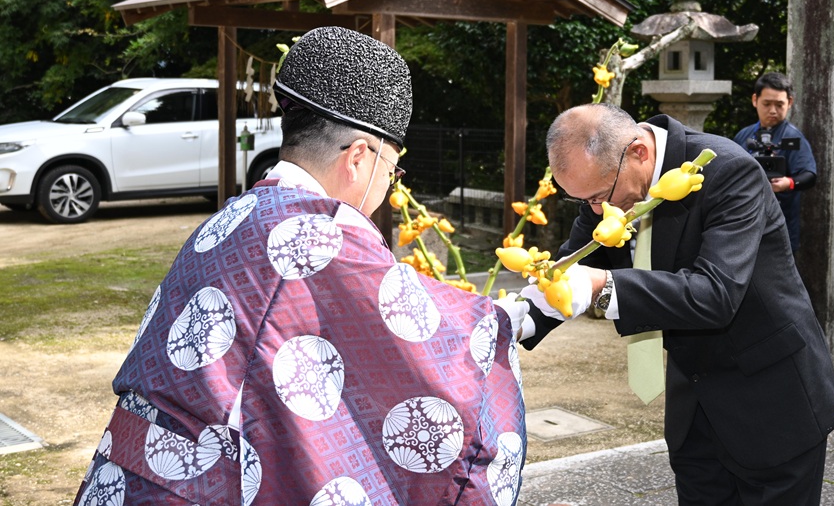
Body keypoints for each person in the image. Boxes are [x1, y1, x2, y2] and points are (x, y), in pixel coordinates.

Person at [74, 26, 526, 506]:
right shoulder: (323, 230)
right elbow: (444, 345)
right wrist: (513, 319)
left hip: (129, 478)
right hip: (202, 489)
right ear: (357, 157)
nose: (389, 186)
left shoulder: (237, 213)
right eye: (392, 170)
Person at [516, 103, 834, 506]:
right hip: (695, 400)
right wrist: (516, 319)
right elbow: (575, 264)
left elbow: (716, 294)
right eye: (583, 202)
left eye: (599, 196)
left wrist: (602, 287)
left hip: (770, 395)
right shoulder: (606, 189)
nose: (597, 211)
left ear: (638, 151)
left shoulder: (728, 171)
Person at [733, 72, 817, 252]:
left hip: (779, 227)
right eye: (767, 104)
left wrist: (789, 183)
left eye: (779, 105)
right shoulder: (744, 136)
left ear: (790, 103)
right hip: (744, 225)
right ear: (755, 100)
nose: (773, 110)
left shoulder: (793, 138)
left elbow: (809, 175)